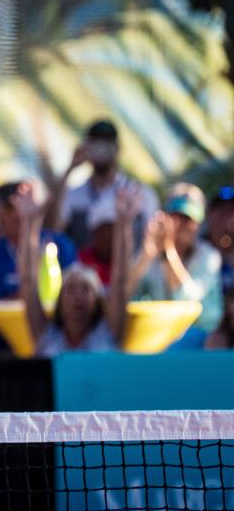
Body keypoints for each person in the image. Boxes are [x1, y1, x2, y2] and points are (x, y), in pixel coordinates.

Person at [15, 183, 134, 356]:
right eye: (70, 289)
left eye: (86, 289)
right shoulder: (45, 335)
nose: (78, 296)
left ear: (98, 300)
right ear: (60, 300)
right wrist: (28, 222)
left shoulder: (110, 332)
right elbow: (28, 280)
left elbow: (121, 280)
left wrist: (124, 223)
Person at [130, 183, 224, 342]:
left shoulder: (209, 256)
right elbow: (129, 294)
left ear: (198, 224)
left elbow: (188, 299)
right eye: (175, 217)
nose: (181, 226)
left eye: (188, 220)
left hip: (202, 344)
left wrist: (168, 251)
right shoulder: (152, 253)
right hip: (161, 341)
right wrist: (146, 255)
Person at [45, 119, 159, 249]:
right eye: (95, 144)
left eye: (106, 144)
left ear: (118, 149)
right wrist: (69, 169)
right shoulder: (74, 195)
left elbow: (150, 243)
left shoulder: (141, 194)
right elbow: (51, 229)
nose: (101, 150)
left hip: (126, 267)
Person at [0, 182, 77, 307]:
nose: (17, 213)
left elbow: (76, 292)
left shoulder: (62, 244)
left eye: (26, 204)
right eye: (9, 207)